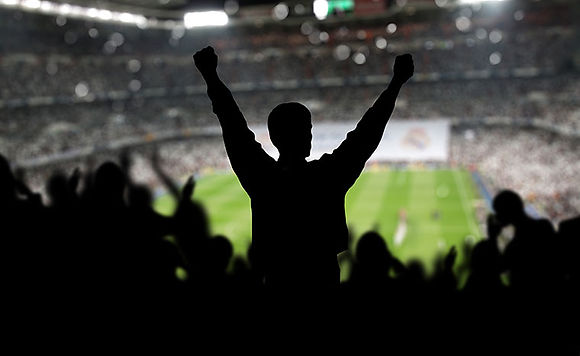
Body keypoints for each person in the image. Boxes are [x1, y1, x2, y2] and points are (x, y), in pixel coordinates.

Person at [193, 46, 414, 288]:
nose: (309, 135)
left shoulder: (262, 179)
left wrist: (210, 76)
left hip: (277, 281)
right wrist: (396, 84)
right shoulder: (327, 176)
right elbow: (366, 134)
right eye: (306, 129)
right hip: (323, 278)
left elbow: (233, 125)